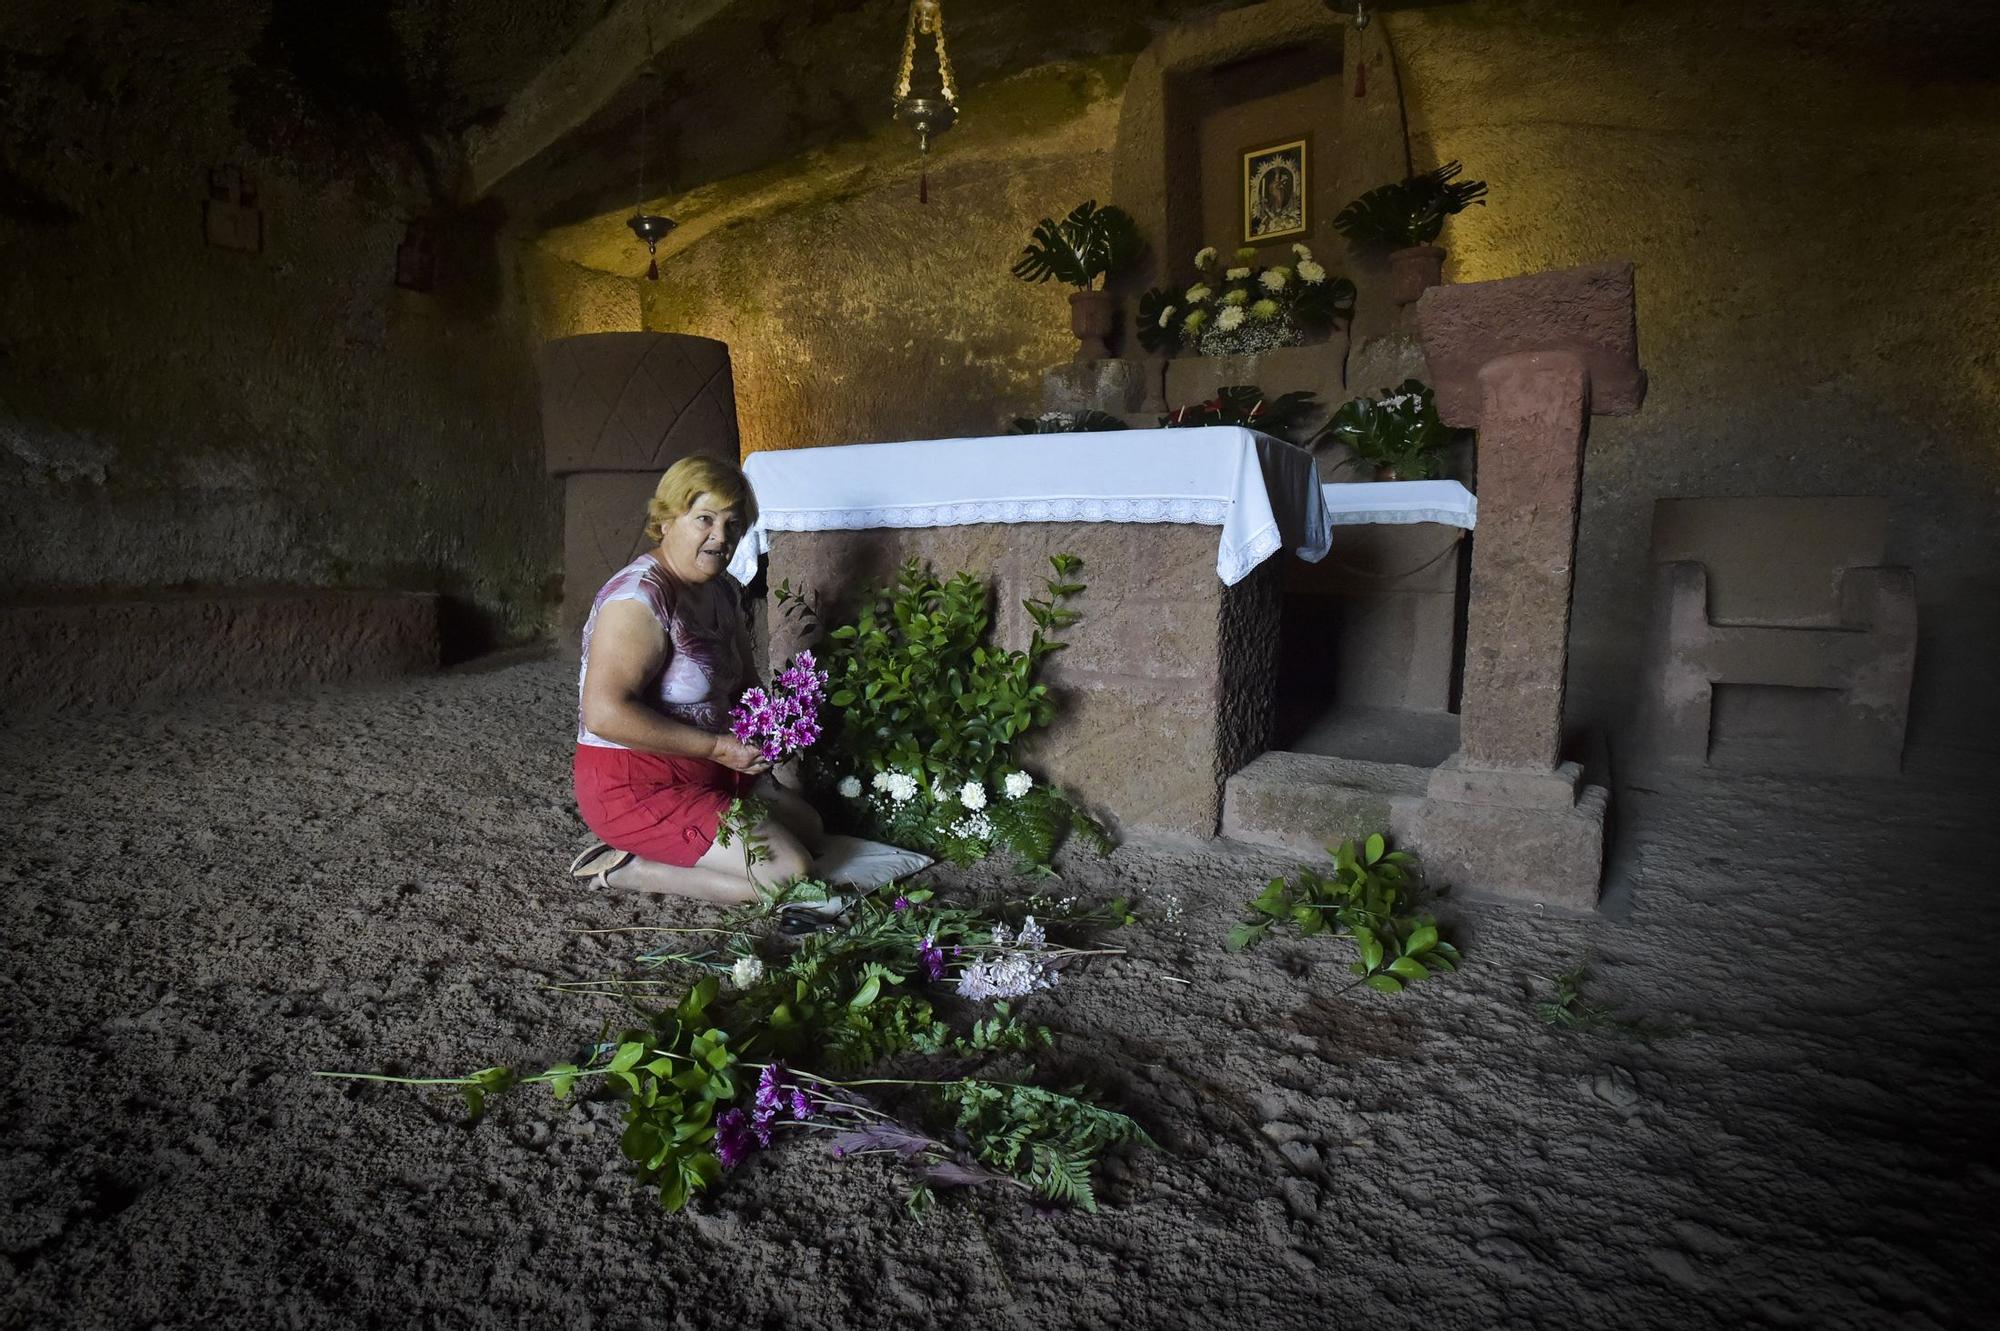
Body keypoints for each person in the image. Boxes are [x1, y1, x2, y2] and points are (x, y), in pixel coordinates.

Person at [568, 454, 823, 904]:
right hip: (637, 781)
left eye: (733, 524)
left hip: (712, 765)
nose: (720, 537)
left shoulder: (722, 589)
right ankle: (631, 868)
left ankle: (693, 840)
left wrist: (771, 731)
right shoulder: (639, 599)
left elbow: (744, 682)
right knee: (791, 871)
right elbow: (604, 713)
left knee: (812, 831)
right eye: (704, 519)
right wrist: (718, 747)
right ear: (666, 521)